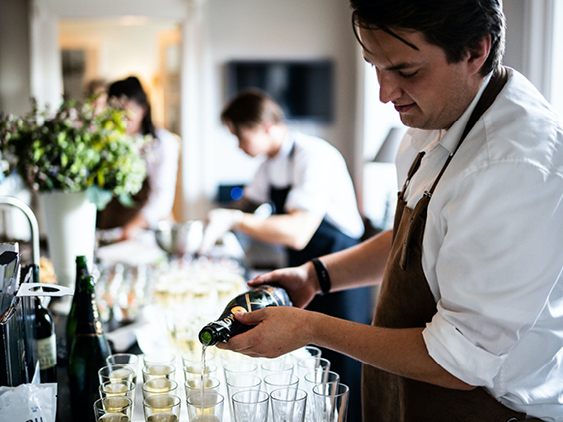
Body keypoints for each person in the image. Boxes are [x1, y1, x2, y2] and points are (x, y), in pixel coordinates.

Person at [216, 1, 563, 421]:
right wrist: (316, 276)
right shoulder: (436, 122)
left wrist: (310, 328)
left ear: (475, 51)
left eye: (406, 71)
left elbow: (459, 361)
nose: (385, 93)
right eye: (375, 67)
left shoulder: (515, 166)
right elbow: (412, 241)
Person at [201, 89, 373, 419]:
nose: (238, 145)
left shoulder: (314, 156)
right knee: (308, 363)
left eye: (239, 135)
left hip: (340, 272)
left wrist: (233, 220)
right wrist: (218, 222)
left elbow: (298, 231)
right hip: (303, 274)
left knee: (342, 370)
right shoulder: (270, 165)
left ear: (265, 127)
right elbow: (246, 206)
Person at [97, 76, 180, 240]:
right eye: (115, 112)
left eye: (127, 113)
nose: (121, 120)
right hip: (109, 228)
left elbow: (161, 200)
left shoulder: (162, 143)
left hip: (148, 231)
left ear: (143, 109)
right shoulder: (104, 141)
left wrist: (130, 229)